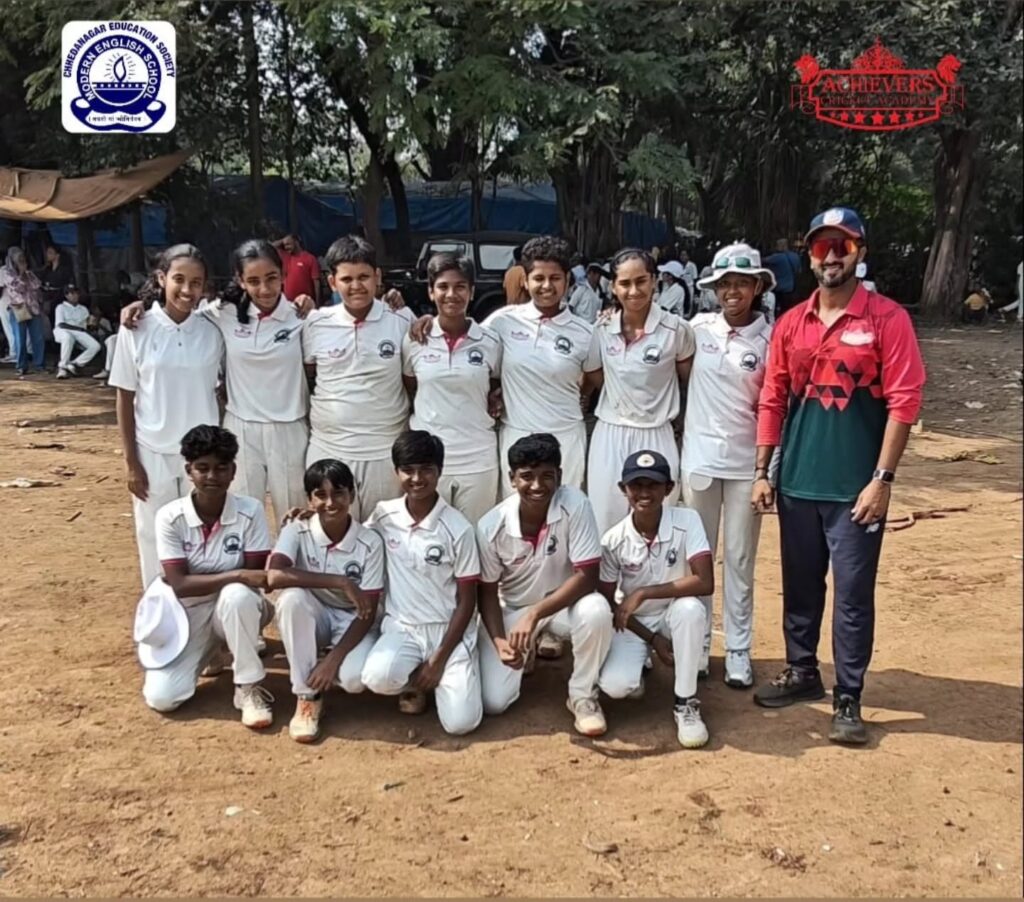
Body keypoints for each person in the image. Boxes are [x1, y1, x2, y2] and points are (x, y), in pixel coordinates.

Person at [753, 206, 926, 744]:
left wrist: (883, 479)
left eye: (842, 246)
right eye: (821, 247)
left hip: (857, 490)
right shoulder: (791, 323)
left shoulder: (887, 319)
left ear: (860, 253)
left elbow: (904, 402)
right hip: (797, 483)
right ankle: (802, 670)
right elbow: (772, 398)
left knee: (852, 594)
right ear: (809, 255)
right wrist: (763, 471)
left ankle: (848, 694)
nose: (831, 257)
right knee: (800, 586)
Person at [476, 433, 613, 736]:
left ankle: (583, 696)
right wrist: (499, 642)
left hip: (564, 606)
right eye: (527, 476)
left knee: (596, 610)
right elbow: (487, 592)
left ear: (559, 476)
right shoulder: (490, 526)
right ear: (512, 479)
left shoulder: (575, 504)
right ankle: (526, 650)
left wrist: (535, 613)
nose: (537, 486)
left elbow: (587, 575)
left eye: (547, 476)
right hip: (515, 610)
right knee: (494, 702)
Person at [138, 424, 274, 728]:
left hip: (236, 608)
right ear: (189, 470)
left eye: (221, 468)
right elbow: (180, 584)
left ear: (233, 471)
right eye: (202, 468)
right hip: (187, 614)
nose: (212, 476)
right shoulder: (170, 517)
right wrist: (236, 573)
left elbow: (253, 579)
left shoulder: (250, 510)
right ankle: (213, 650)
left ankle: (247, 687)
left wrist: (239, 578)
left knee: (237, 596)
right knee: (163, 698)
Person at [682, 242, 774, 687]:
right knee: (698, 560)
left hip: (745, 466)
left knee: (739, 559)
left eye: (740, 283)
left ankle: (738, 650)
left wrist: (765, 472)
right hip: (699, 461)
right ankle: (698, 646)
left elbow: (776, 405)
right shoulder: (696, 329)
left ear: (757, 287)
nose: (731, 291)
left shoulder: (771, 339)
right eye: (723, 284)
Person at [109, 244, 225, 588]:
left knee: (202, 535)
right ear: (161, 279)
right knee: (154, 538)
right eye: (179, 280)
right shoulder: (136, 328)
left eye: (196, 282)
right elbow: (125, 396)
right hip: (152, 451)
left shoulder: (212, 330)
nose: (187, 290)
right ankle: (159, 611)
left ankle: (202, 611)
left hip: (201, 457)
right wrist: (132, 462)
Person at [360, 431, 483, 735]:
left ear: (439, 471)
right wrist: (312, 516)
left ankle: (449, 673)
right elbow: (353, 537)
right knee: (377, 678)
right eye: (408, 470)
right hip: (403, 628)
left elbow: (468, 600)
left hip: (448, 631)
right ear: (396, 472)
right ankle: (416, 678)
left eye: (426, 469)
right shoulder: (383, 515)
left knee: (461, 723)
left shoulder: (458, 528)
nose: (417, 479)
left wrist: (439, 660)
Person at [597, 450, 714, 747]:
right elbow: (609, 602)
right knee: (616, 687)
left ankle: (685, 702)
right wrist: (652, 639)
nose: (644, 493)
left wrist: (644, 592)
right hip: (635, 623)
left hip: (673, 612)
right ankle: (639, 665)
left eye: (653, 485)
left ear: (669, 488)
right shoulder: (613, 539)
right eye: (636, 485)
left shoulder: (687, 520)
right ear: (623, 489)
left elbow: (705, 581)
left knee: (691, 610)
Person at [268, 459, 385, 743]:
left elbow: (367, 612)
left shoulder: (370, 541)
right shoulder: (297, 529)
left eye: (339, 493)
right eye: (321, 495)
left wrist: (333, 660)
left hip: (353, 619)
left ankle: (322, 661)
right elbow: (274, 576)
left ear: (352, 495)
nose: (331, 503)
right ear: (309, 499)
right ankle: (306, 696)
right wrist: (340, 581)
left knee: (354, 680)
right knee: (291, 600)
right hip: (316, 614)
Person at [584, 248, 695, 535]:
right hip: (610, 433)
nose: (633, 291)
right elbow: (594, 373)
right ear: (613, 286)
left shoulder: (676, 330)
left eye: (641, 281)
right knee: (605, 523)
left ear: (654, 281)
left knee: (659, 524)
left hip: (656, 432)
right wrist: (620, 395)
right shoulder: (602, 328)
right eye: (624, 283)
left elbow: (689, 381)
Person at [303, 235, 410, 519]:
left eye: (364, 277)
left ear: (378, 277)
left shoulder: (402, 320)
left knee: (384, 531)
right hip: (329, 447)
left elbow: (412, 379)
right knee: (331, 531)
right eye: (347, 279)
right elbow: (307, 373)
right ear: (332, 282)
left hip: (383, 450)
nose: (356, 286)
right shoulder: (316, 322)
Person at [483, 236, 600, 493]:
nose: (547, 286)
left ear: (567, 280)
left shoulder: (585, 332)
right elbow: (470, 350)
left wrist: (581, 395)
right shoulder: (502, 322)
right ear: (525, 280)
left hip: (566, 438)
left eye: (555, 278)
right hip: (517, 435)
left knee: (565, 509)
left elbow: (594, 377)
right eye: (538, 278)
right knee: (516, 510)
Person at [402, 253, 502, 523]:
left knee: (476, 535)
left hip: (478, 458)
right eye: (443, 287)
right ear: (430, 292)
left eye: (460, 287)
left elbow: (495, 386)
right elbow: (410, 385)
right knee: (430, 535)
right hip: (429, 459)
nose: (451, 294)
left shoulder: (490, 341)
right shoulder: (414, 339)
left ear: (472, 291)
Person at [0, 246, 46, 376]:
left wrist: (25, 273)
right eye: (19, 259)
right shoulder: (6, 273)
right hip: (18, 308)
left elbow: (37, 285)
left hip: (33, 308)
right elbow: (17, 287)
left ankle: (39, 364)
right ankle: (21, 366)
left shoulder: (29, 273)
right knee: (20, 338)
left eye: (23, 259)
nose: (22, 261)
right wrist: (21, 273)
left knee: (38, 337)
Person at [53, 283, 101, 378]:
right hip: (62, 330)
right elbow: (61, 324)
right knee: (68, 337)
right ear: (66, 295)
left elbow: (88, 326)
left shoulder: (83, 309)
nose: (74, 295)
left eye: (76, 293)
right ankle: (62, 368)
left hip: (79, 332)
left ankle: (74, 364)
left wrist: (93, 323)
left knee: (95, 346)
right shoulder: (61, 307)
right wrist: (79, 329)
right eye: (71, 293)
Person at [275, 234, 321, 306]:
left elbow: (316, 282)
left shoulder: (310, 258)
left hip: (305, 304)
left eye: (288, 244)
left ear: (296, 242)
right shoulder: (285, 256)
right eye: (284, 245)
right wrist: (283, 240)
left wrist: (317, 302)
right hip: (288, 304)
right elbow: (271, 247)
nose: (286, 247)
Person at [764, 238, 802, 316]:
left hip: (779, 288)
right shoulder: (795, 256)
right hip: (792, 288)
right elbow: (799, 271)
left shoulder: (777, 257)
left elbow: (763, 260)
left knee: (776, 309)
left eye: (777, 245)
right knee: (788, 309)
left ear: (781, 246)